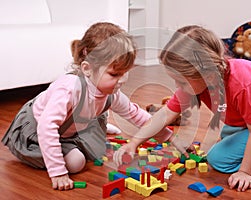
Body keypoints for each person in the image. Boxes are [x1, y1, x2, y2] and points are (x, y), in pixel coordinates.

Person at [114, 25, 251, 192]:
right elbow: (165, 115)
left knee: (218, 159)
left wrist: (245, 172)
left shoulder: (244, 83)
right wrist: (133, 143)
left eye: (181, 81)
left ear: (207, 74)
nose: (178, 86)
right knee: (226, 136)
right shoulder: (197, 81)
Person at [1, 22, 172, 191]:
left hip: (70, 128)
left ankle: (94, 128)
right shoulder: (69, 89)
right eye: (114, 74)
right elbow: (47, 128)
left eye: (125, 72)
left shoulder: (111, 92)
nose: (122, 80)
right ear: (87, 68)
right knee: (76, 162)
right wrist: (58, 172)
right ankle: (29, 152)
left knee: (98, 151)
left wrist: (168, 136)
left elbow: (136, 115)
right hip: (35, 131)